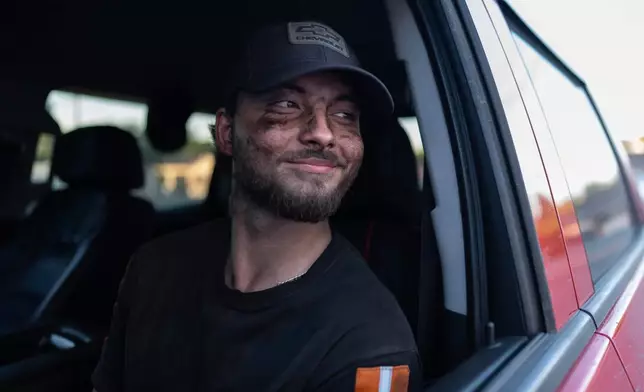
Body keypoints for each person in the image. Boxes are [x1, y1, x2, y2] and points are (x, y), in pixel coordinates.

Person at [92, 21, 421, 392]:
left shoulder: (371, 347)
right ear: (227, 133)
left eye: (345, 114)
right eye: (287, 104)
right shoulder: (152, 268)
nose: (324, 132)